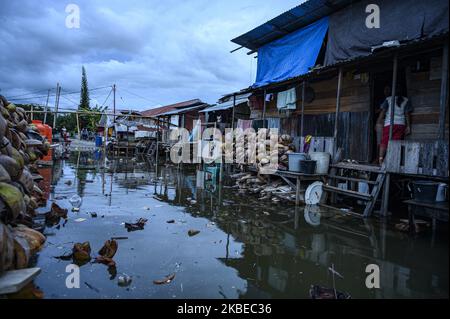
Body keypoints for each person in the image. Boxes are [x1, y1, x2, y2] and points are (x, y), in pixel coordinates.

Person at [377, 86, 413, 164]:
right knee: (396, 143)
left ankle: (380, 160)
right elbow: (407, 114)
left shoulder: (388, 99)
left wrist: (379, 122)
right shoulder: (406, 100)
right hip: (400, 125)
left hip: (389, 124)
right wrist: (408, 126)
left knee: (384, 142)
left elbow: (382, 112)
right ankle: (393, 161)